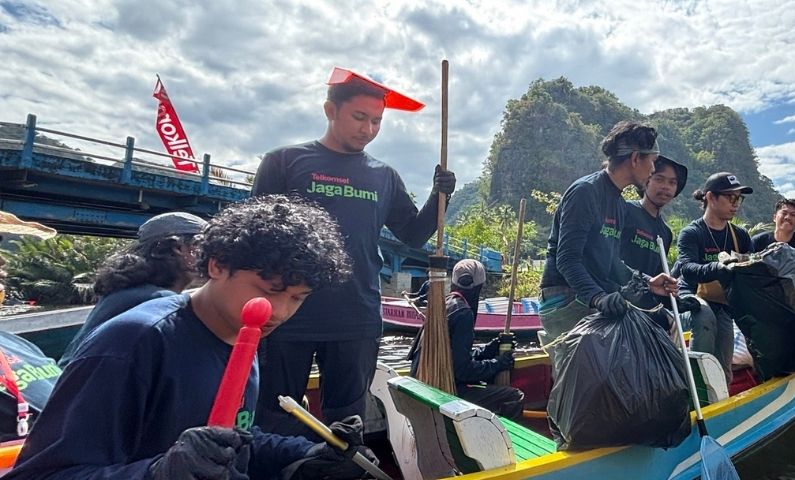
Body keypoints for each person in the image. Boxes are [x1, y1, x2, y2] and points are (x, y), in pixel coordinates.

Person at [7, 195, 376, 480]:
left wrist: (305, 454)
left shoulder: (241, 336)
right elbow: (42, 473)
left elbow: (231, 439)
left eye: (297, 298)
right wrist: (158, 473)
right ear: (216, 265)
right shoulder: (134, 343)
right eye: (269, 289)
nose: (279, 312)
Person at [251, 68, 456, 437]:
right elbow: (254, 237)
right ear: (330, 110)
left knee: (346, 425)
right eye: (359, 117)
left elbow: (412, 235)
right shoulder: (284, 162)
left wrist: (439, 195)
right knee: (275, 418)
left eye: (377, 121)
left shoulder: (384, 176)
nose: (368, 129)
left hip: (356, 317)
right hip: (286, 316)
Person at [538, 120, 678, 343]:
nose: (652, 170)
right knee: (593, 370)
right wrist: (598, 297)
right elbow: (567, 259)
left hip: (589, 298)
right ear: (635, 159)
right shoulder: (585, 192)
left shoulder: (619, 204)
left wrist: (648, 282)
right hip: (564, 298)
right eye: (651, 162)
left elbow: (614, 263)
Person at [59, 212, 208, 366]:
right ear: (179, 248)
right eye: (203, 248)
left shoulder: (129, 292)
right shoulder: (159, 301)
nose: (212, 258)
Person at [409, 259, 524, 419]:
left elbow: (452, 357)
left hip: (423, 384)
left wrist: (489, 349)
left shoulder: (443, 305)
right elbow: (463, 371)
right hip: (442, 391)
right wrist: (499, 363)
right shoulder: (464, 313)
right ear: (478, 288)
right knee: (513, 397)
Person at [672, 172, 754, 380]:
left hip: (722, 303)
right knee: (704, 314)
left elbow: (752, 272)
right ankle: (695, 383)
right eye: (731, 197)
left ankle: (721, 397)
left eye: (739, 198)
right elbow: (687, 269)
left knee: (724, 365)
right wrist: (718, 268)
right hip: (689, 299)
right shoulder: (692, 233)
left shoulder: (740, 236)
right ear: (710, 197)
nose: (736, 204)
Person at [619, 155, 691, 330]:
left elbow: (657, 274)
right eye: (659, 179)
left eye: (672, 183)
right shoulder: (625, 210)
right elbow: (608, 257)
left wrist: (670, 290)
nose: (666, 187)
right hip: (618, 302)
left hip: (646, 307)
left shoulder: (665, 232)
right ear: (646, 181)